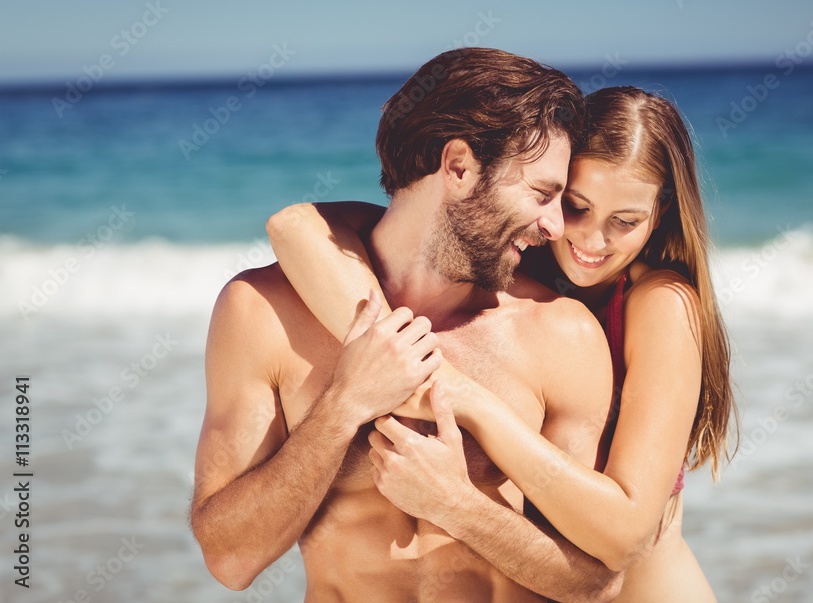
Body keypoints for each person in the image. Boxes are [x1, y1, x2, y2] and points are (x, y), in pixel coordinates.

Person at [267, 85, 735, 600]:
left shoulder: (661, 303)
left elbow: (626, 534)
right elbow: (294, 227)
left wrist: (458, 395)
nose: (591, 241)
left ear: (662, 209)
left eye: (625, 222)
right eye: (575, 207)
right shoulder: (516, 258)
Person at [190, 47, 625, 602]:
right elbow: (229, 559)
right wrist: (344, 405)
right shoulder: (260, 311)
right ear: (459, 166)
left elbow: (595, 584)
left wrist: (460, 508)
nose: (555, 225)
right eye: (542, 193)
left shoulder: (559, 334)